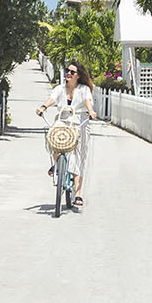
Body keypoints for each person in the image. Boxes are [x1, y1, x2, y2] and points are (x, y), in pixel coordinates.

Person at [35, 60, 97, 207]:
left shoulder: (83, 89)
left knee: (79, 155)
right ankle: (57, 164)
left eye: (72, 72)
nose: (68, 73)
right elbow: (52, 99)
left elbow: (87, 101)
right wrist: (43, 107)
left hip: (79, 120)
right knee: (54, 140)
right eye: (67, 71)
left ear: (78, 75)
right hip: (63, 120)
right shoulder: (60, 88)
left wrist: (90, 111)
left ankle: (78, 194)